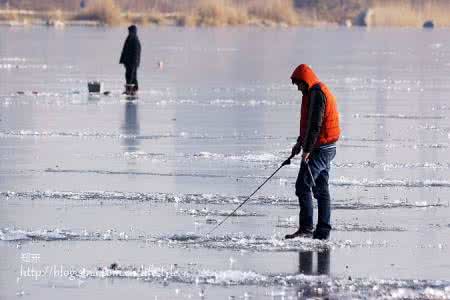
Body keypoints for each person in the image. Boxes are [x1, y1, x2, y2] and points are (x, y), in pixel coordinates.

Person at [285, 64, 341, 240]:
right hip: (326, 147)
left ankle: (306, 228)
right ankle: (322, 231)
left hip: (321, 148)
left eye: (298, 84)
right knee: (321, 188)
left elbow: (316, 124)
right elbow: (308, 125)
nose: (298, 88)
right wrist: (299, 143)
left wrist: (307, 150)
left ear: (304, 81)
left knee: (303, 185)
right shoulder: (311, 92)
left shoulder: (317, 93)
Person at [120, 25, 141, 95]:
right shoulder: (129, 38)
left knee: (130, 75)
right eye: (129, 31)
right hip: (128, 62)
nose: (129, 33)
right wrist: (123, 60)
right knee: (130, 75)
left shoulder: (135, 40)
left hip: (133, 63)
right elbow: (124, 50)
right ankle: (134, 88)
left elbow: (136, 54)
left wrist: (134, 63)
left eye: (130, 31)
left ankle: (129, 89)